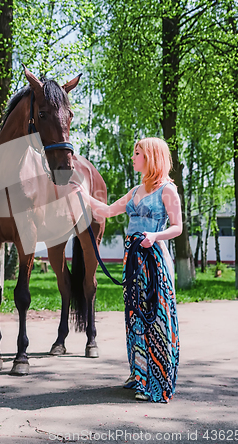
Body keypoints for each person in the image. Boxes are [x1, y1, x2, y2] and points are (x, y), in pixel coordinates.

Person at [73, 137, 182, 403]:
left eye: (137, 153)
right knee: (134, 316)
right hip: (133, 262)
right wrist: (82, 195)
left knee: (155, 317)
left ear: (151, 157)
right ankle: (139, 373)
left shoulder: (167, 190)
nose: (132, 158)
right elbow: (108, 211)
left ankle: (156, 379)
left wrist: (156, 236)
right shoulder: (135, 191)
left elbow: (177, 227)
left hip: (155, 261)